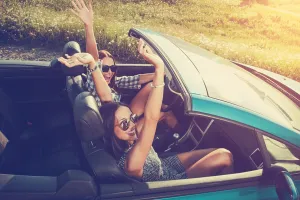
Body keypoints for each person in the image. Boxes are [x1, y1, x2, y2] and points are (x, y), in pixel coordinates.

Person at [58, 39, 234, 182]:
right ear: (110, 131)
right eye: (125, 124)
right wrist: (159, 69)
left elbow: (106, 98)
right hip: (171, 182)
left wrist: (91, 62)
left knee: (214, 150)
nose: (132, 125)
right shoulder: (131, 162)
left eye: (131, 118)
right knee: (224, 156)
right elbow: (150, 118)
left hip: (162, 164)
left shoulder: (124, 139)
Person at [67, 0, 179, 131]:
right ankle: (183, 137)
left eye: (113, 68)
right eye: (104, 68)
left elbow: (136, 79)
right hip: (120, 123)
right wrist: (88, 26)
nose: (109, 72)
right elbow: (94, 59)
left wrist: (160, 73)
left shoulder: (113, 82)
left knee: (150, 87)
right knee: (166, 115)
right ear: (97, 68)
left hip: (123, 110)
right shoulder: (94, 81)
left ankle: (164, 107)